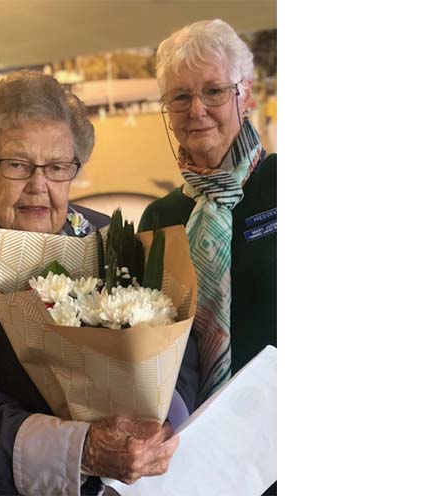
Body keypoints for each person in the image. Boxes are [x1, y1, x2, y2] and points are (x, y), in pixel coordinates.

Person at [0, 71, 200, 495]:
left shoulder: (106, 236)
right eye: (17, 165)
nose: (39, 185)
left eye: (58, 167)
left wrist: (163, 422)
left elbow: (176, 340)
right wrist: (80, 450)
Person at [139, 17, 277, 425]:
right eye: (180, 97)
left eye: (214, 91)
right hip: (197, 434)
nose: (196, 110)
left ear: (245, 94)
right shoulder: (159, 218)